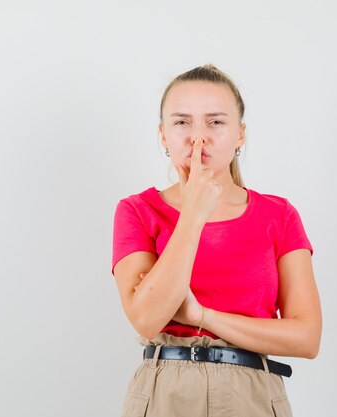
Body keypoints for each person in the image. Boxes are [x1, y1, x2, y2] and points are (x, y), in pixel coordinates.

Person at [110, 64, 322, 417]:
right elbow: (146, 319)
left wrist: (202, 315)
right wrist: (194, 212)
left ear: (240, 135)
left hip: (251, 392)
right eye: (182, 122)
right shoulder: (137, 210)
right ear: (163, 135)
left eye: (216, 122)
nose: (198, 137)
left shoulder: (279, 214)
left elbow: (306, 337)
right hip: (165, 390)